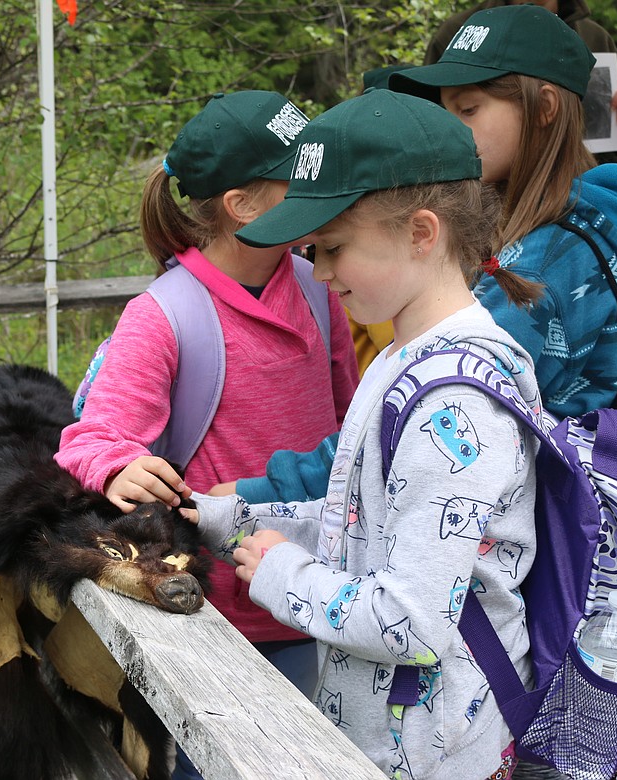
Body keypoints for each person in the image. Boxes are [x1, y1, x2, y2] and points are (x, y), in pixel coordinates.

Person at [185, 88, 543, 779]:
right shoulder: (406, 357)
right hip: (390, 736)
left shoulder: (455, 409)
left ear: (421, 232)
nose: (316, 272)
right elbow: (372, 529)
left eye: (334, 248)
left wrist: (285, 577)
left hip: (438, 755)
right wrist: (226, 517)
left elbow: (409, 620)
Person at [54, 90, 361, 776]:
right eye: (299, 176)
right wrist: (116, 468)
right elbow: (88, 439)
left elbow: (352, 428)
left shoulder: (320, 286)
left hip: (325, 602)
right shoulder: (163, 315)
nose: (320, 189)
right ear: (243, 204)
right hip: (221, 624)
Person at [391, 3, 617, 421]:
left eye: (467, 110)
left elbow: (433, 408)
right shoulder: (579, 224)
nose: (450, 130)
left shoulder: (542, 265)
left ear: (544, 108)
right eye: (446, 112)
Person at [424, 0, 617, 165]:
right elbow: (426, 132)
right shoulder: (459, 33)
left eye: (468, 110)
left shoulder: (595, 39)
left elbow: (612, 176)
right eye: (468, 108)